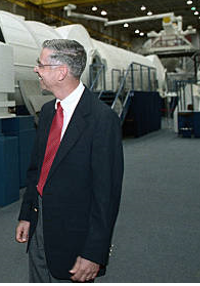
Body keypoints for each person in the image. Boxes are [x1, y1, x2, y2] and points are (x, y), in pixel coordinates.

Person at [15, 39, 124, 282]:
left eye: (40, 65)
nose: (36, 70)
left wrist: (94, 252)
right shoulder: (46, 113)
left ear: (61, 72)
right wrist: (27, 215)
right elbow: (37, 171)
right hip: (40, 227)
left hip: (75, 239)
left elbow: (106, 194)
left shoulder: (102, 120)